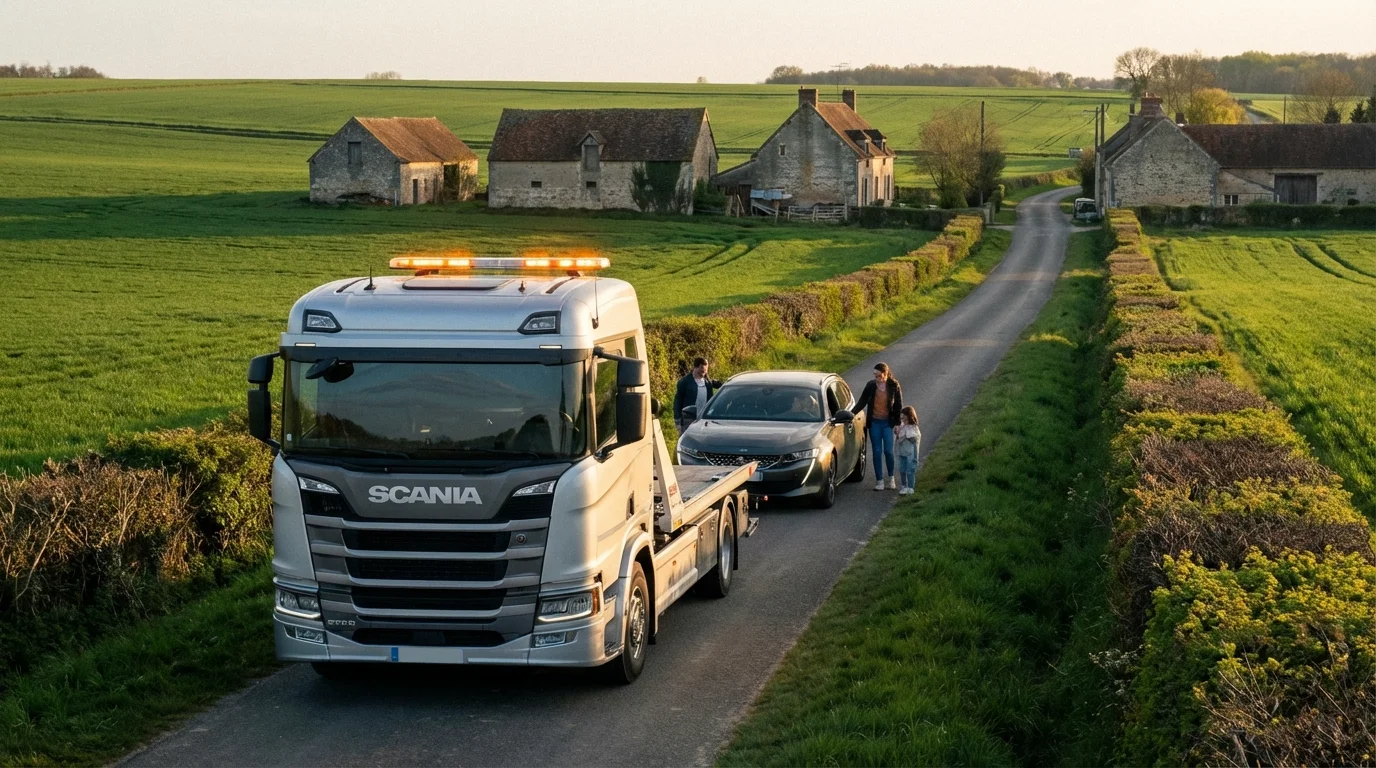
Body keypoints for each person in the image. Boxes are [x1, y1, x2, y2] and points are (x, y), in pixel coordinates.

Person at [853, 362, 903, 491]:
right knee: (876, 451)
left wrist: (897, 424)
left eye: (878, 375)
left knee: (888, 451)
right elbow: (862, 402)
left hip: (887, 423)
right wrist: (850, 414)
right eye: (874, 375)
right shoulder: (870, 386)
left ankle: (891, 478)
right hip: (874, 422)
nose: (876, 378)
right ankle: (879, 480)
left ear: (885, 374)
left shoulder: (893, 386)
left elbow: (898, 406)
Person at [673, 357, 720, 432]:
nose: (703, 373)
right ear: (696, 367)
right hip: (688, 419)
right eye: (702, 370)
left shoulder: (708, 383)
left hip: (704, 418)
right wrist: (677, 419)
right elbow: (678, 401)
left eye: (705, 371)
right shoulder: (685, 382)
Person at [895, 406, 921, 495]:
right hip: (902, 452)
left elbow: (914, 440)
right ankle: (903, 485)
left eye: (904, 418)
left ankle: (910, 487)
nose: (903, 420)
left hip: (910, 453)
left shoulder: (913, 428)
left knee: (910, 470)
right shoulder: (902, 426)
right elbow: (899, 438)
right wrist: (897, 431)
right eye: (901, 418)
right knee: (902, 469)